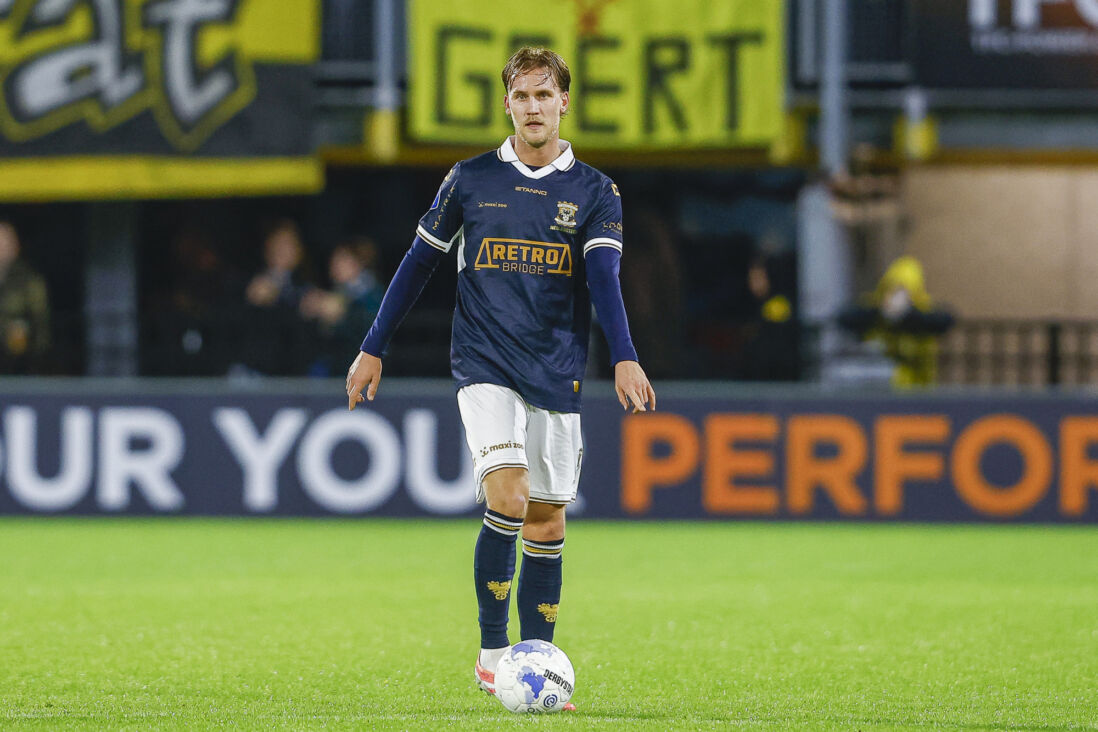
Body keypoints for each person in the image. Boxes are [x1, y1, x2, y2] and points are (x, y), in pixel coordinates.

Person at [345, 47, 655, 705]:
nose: (534, 107)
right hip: (484, 365)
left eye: (546, 95)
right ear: (507, 103)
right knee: (509, 497)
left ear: (564, 102)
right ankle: (493, 655)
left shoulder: (596, 192)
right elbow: (418, 264)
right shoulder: (470, 179)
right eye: (522, 96)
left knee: (546, 523)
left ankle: (535, 660)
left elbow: (604, 279)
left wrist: (624, 354)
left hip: (556, 369)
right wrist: (374, 346)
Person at [838, 255, 954, 386]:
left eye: (905, 291)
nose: (898, 298)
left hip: (919, 386)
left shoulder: (925, 310)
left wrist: (908, 315)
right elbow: (845, 319)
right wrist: (880, 312)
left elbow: (944, 321)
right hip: (881, 385)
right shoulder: (874, 307)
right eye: (893, 290)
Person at [300, 237, 384, 376]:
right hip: (333, 370)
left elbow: (368, 331)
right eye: (334, 261)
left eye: (342, 260)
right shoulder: (335, 293)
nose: (335, 266)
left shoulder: (374, 294)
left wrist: (341, 315)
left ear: (359, 263)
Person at [0, 220, 50, 374]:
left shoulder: (30, 282)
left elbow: (41, 329)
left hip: (18, 367)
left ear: (15, 246)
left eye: (4, 242)